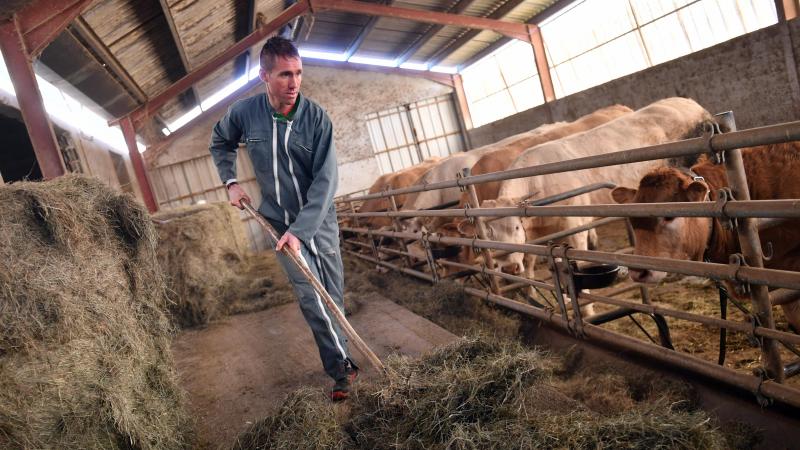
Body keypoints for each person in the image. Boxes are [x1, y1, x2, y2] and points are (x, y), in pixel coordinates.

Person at [209, 36, 358, 401]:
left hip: (318, 223)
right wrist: (230, 182)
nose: (293, 84)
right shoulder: (245, 113)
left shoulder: (316, 119)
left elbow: (327, 182)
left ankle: (344, 355)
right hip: (276, 223)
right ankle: (339, 370)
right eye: (284, 75)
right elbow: (220, 141)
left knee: (332, 294)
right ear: (264, 76)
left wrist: (301, 231)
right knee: (311, 297)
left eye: (298, 73)